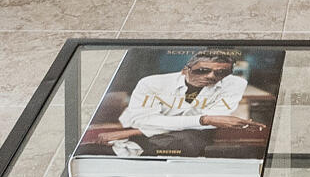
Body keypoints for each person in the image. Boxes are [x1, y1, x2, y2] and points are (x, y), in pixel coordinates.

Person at [105, 50, 261, 158]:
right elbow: (145, 120)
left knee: (186, 141)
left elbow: (210, 123)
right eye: (203, 70)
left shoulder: (235, 84)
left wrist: (135, 133)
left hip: (187, 134)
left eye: (221, 73)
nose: (211, 76)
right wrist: (204, 119)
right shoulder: (151, 83)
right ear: (185, 70)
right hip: (138, 127)